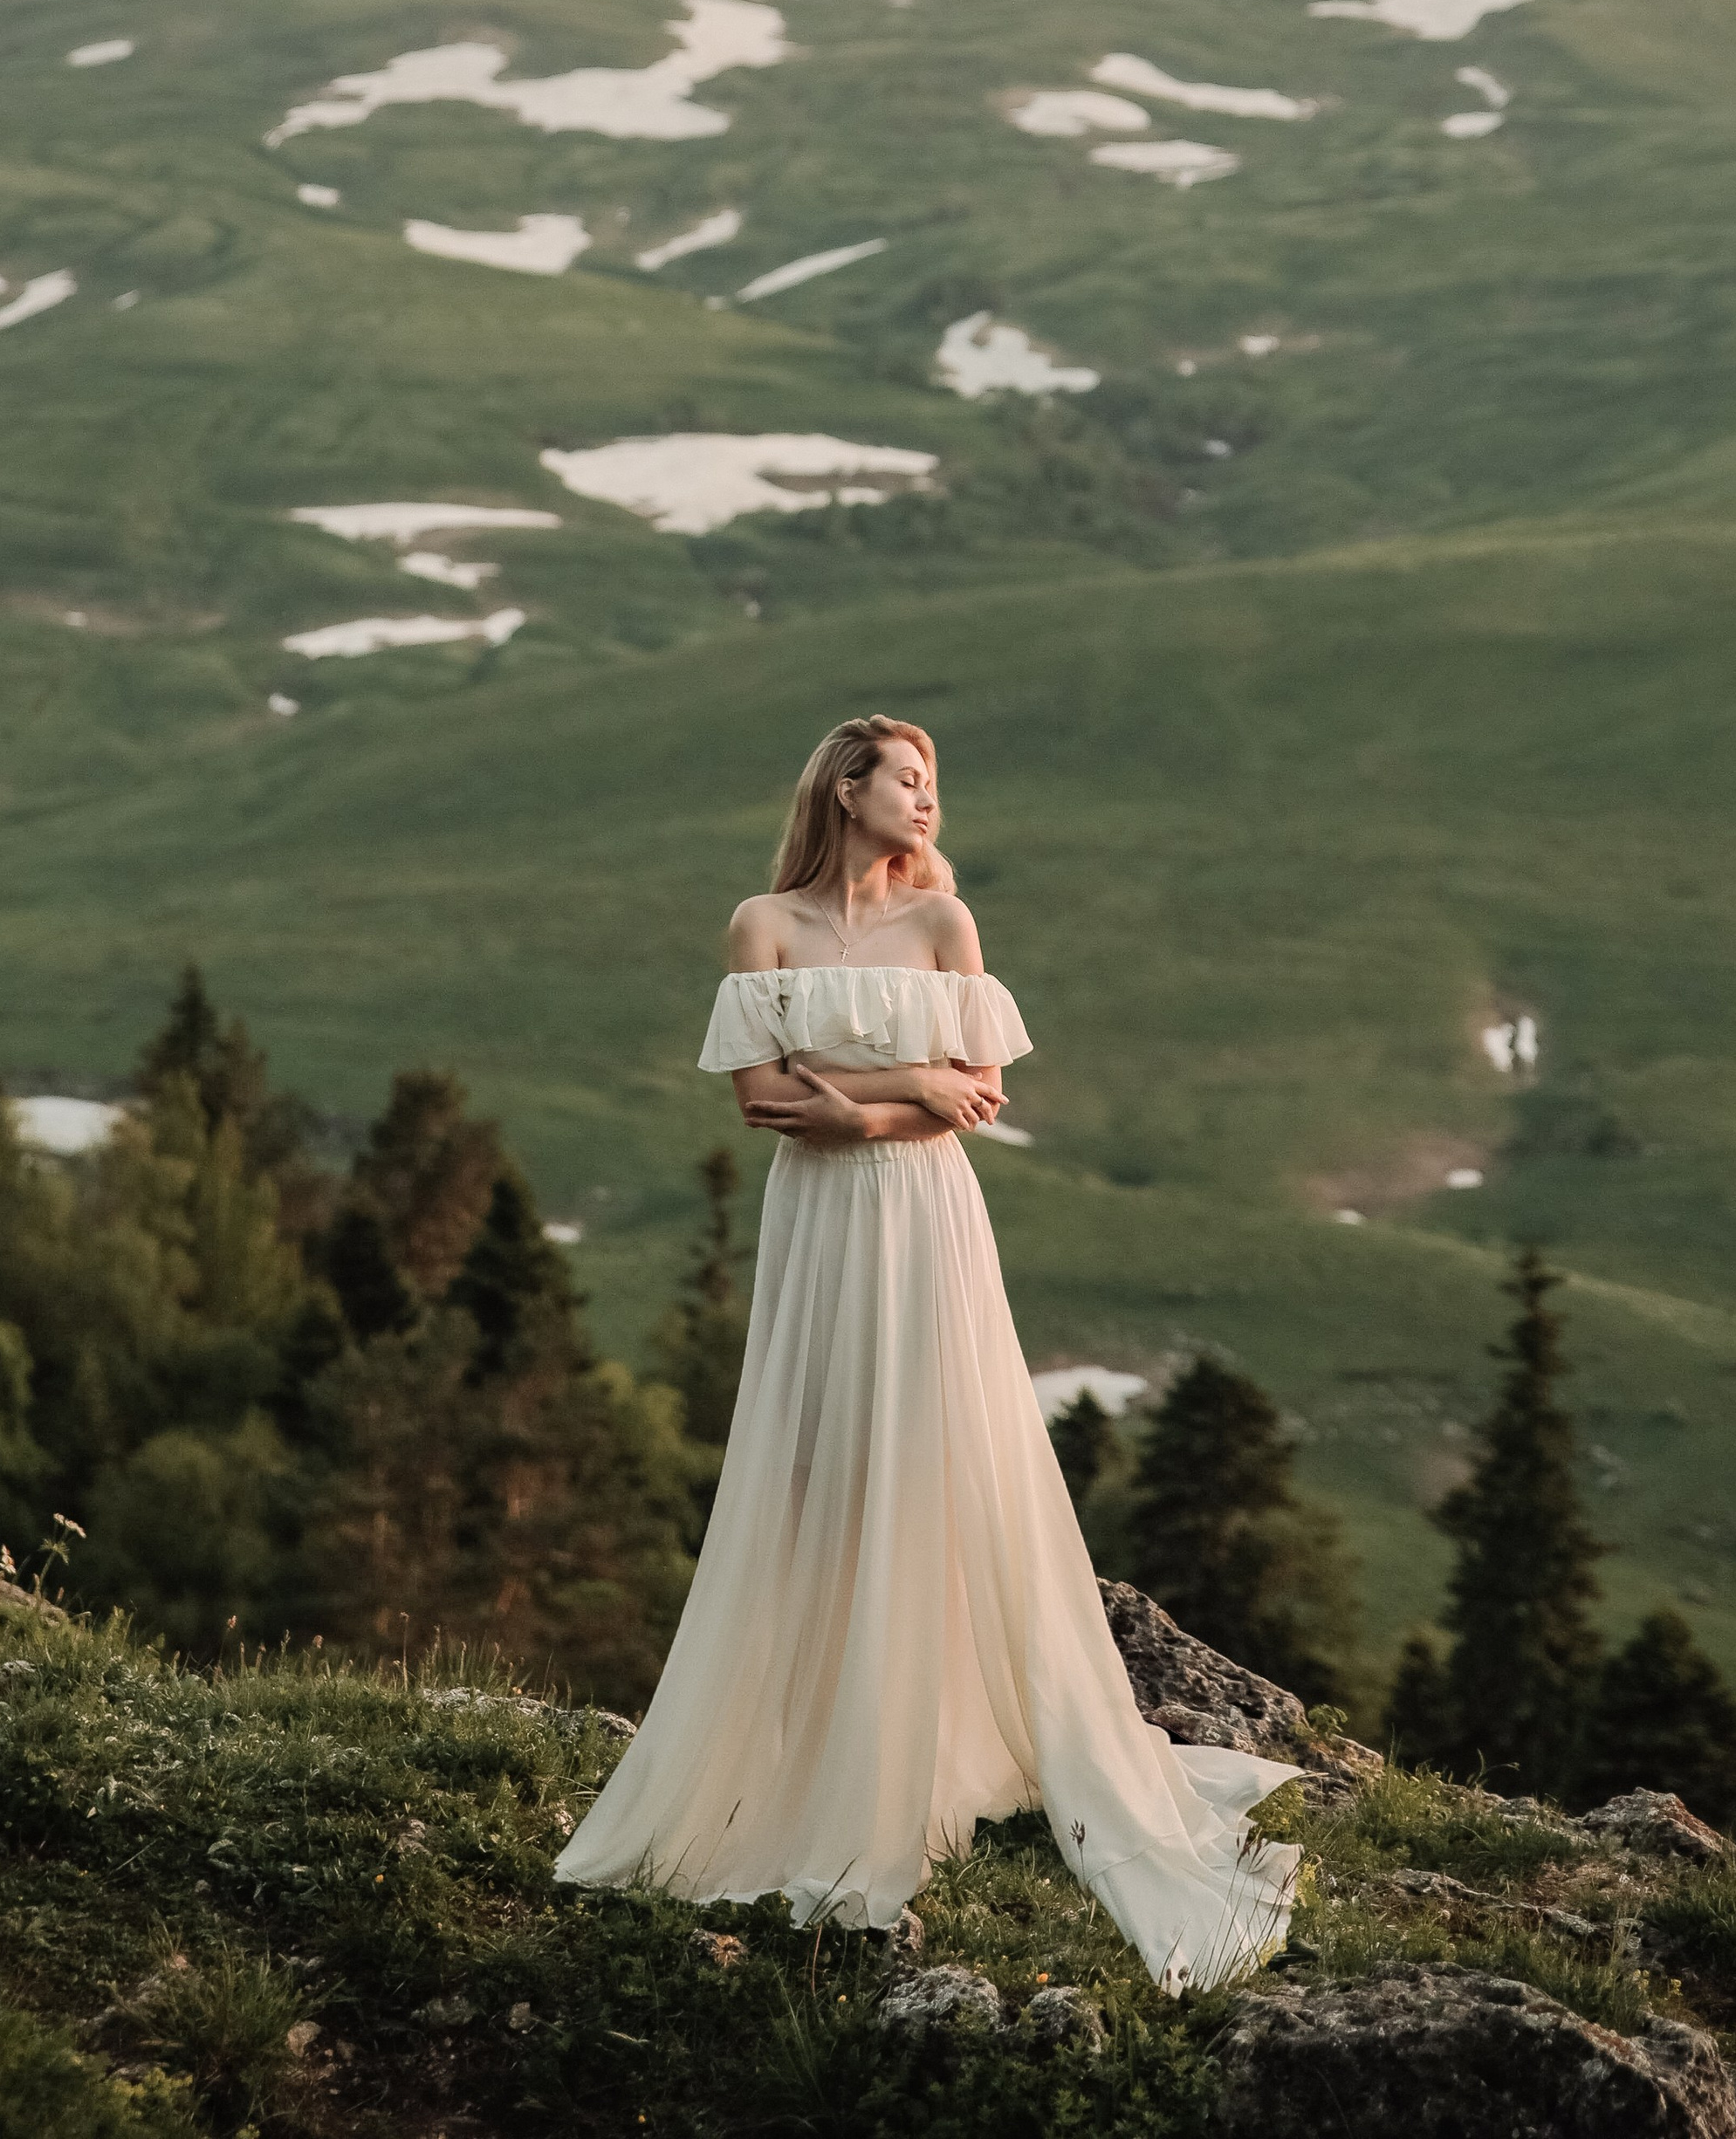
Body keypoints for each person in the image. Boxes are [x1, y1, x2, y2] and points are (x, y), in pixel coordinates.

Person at [555, 712, 1301, 1989]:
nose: (927, 803)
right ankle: (816, 1748)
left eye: (935, 786)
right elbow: (762, 1103)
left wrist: (856, 1106)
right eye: (907, 780)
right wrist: (890, 1107)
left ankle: (937, 1730)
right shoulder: (764, 925)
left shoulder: (945, 927)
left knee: (944, 1448)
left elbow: (982, 1097)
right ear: (845, 789)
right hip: (821, 1222)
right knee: (822, 1461)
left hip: (926, 1216)